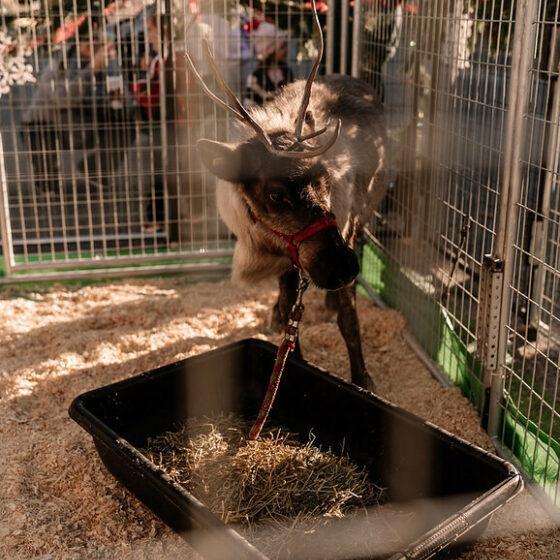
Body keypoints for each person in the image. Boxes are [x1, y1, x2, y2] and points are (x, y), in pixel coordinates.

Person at [20, 15, 135, 192]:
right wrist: (92, 69)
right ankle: (48, 186)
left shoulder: (107, 62)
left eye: (98, 40)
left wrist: (111, 74)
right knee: (47, 179)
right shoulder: (60, 63)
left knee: (127, 124)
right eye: (88, 39)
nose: (94, 44)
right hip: (47, 126)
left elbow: (119, 103)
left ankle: (96, 170)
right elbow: (62, 99)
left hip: (83, 124)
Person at [244, 21, 293, 106]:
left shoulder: (287, 71)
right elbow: (249, 107)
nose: (287, 50)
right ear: (271, 51)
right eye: (282, 47)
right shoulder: (255, 79)